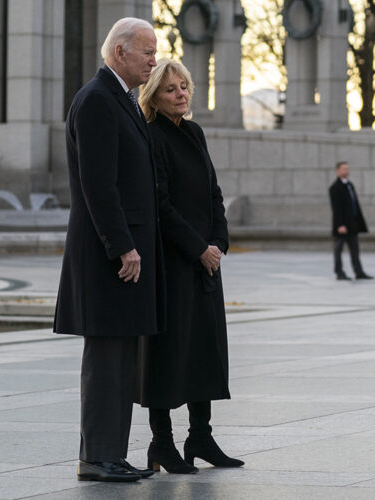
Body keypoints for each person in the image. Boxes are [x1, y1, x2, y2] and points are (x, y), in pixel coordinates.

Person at [53, 18, 163, 482]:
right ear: (120, 52)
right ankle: (97, 458)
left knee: (121, 360)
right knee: (106, 361)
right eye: (146, 52)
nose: (153, 60)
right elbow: (99, 187)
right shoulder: (98, 100)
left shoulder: (120, 99)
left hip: (122, 256)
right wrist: (123, 246)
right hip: (109, 259)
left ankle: (111, 455)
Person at [136, 59, 243, 474]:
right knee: (168, 354)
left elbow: (214, 194)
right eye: (171, 89)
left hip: (205, 264)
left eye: (184, 86)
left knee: (205, 350)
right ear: (154, 97)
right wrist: (198, 248)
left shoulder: (194, 133)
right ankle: (161, 444)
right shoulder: (150, 136)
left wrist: (217, 244)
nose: (181, 94)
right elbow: (159, 204)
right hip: (173, 264)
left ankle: (201, 437)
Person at [329, 161, 373, 280]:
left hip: (352, 223)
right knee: (338, 249)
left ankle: (358, 271)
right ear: (337, 171)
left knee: (355, 249)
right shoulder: (335, 188)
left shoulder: (350, 185)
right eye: (343, 169)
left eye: (347, 169)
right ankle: (339, 272)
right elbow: (336, 209)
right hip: (342, 225)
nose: (346, 171)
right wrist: (340, 225)